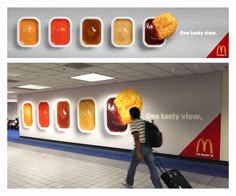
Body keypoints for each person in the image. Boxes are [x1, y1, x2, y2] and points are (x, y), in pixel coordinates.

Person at [121, 107, 163, 188]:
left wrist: (138, 152)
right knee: (153, 169)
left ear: (131, 115)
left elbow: (136, 137)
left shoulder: (134, 123)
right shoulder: (144, 122)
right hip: (148, 147)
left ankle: (129, 183)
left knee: (132, 166)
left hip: (141, 147)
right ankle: (159, 187)